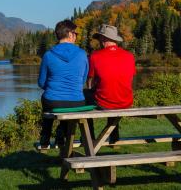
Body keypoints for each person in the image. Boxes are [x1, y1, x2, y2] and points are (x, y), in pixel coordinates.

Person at [38, 20, 89, 148]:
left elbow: (41, 83)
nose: (76, 36)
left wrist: (52, 88)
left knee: (46, 98)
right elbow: (83, 80)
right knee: (69, 103)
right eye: (75, 33)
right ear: (70, 34)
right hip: (77, 101)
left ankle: (45, 137)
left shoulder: (48, 55)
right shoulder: (83, 55)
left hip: (53, 101)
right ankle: (62, 134)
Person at [86, 24, 136, 142]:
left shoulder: (95, 56)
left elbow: (90, 82)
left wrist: (93, 88)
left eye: (99, 38)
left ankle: (89, 137)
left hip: (106, 103)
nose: (99, 42)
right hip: (126, 102)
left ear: (103, 39)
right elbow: (130, 80)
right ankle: (114, 136)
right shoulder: (129, 56)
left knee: (85, 96)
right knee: (111, 92)